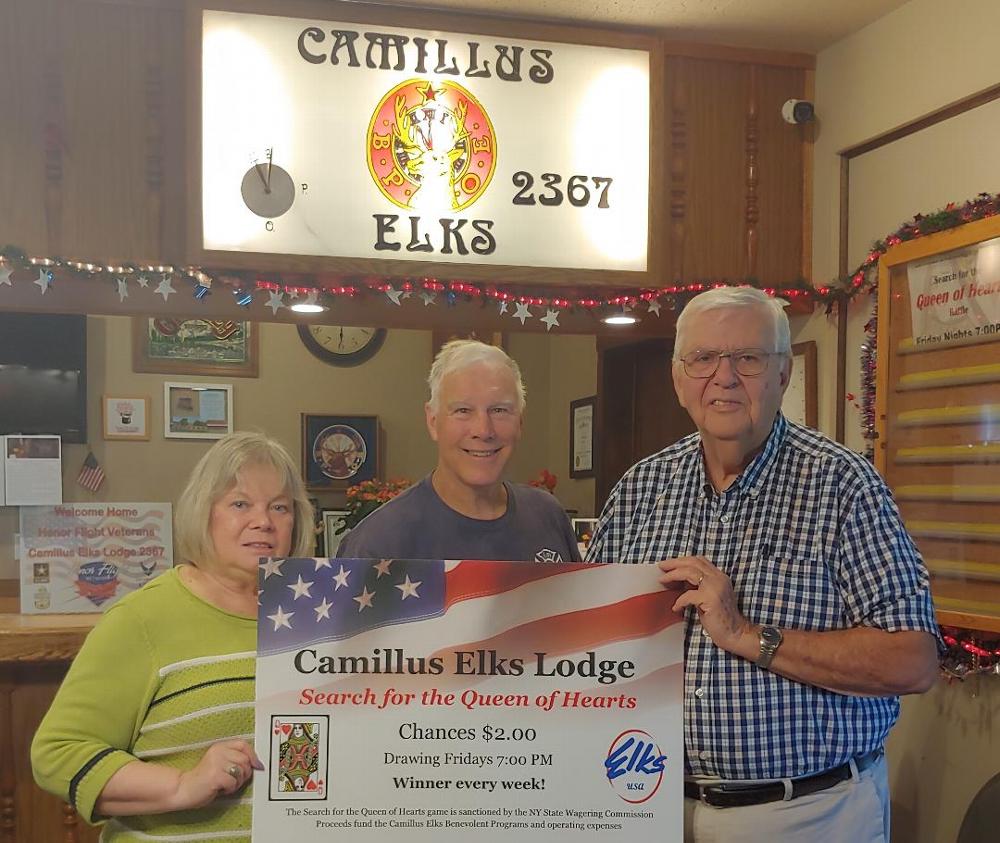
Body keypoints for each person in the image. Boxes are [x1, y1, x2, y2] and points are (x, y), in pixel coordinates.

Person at [586, 286, 940, 843]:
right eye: (703, 359)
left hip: (806, 813)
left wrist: (747, 634)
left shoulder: (842, 487)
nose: (723, 377)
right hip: (651, 810)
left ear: (783, 374)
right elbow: (591, 642)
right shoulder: (640, 489)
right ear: (679, 378)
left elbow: (913, 660)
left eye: (747, 358)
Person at [32, 431, 314, 841]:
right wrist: (182, 785)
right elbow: (58, 754)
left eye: (279, 507)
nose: (263, 521)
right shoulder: (143, 618)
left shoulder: (319, 615)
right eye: (240, 504)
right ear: (205, 512)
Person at [337, 339, 580, 562]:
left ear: (520, 423)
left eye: (499, 410)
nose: (483, 430)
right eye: (463, 410)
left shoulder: (548, 517)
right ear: (433, 422)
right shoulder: (378, 542)